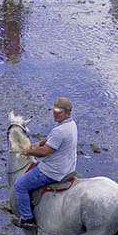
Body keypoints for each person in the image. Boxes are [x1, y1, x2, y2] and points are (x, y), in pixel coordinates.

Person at [13, 97, 77, 228]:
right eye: (54, 111)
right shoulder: (70, 124)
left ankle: (27, 219)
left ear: (68, 113)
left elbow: (44, 152)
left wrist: (27, 151)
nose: (55, 114)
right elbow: (51, 138)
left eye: (58, 112)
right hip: (68, 167)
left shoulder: (60, 131)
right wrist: (39, 142)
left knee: (19, 185)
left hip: (53, 171)